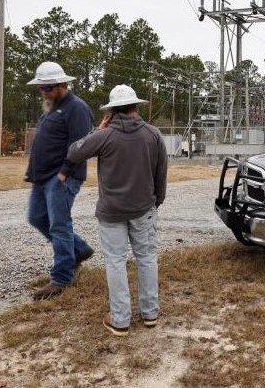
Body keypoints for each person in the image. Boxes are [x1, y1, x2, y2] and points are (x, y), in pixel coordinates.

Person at [66, 84, 168, 336]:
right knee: (146, 258)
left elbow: (74, 153)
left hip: (111, 212)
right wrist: (157, 202)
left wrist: (97, 130)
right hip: (144, 209)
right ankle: (150, 313)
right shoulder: (153, 134)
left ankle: (120, 320)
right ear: (135, 106)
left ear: (111, 110)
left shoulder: (104, 135)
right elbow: (161, 174)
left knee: (115, 262)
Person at [24, 61, 96, 300]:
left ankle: (62, 277)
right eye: (41, 87)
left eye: (48, 87)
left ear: (62, 84)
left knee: (59, 225)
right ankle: (79, 249)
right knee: (35, 217)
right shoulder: (52, 107)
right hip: (42, 177)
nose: (43, 91)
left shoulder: (77, 108)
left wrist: (64, 171)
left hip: (62, 177)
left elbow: (81, 145)